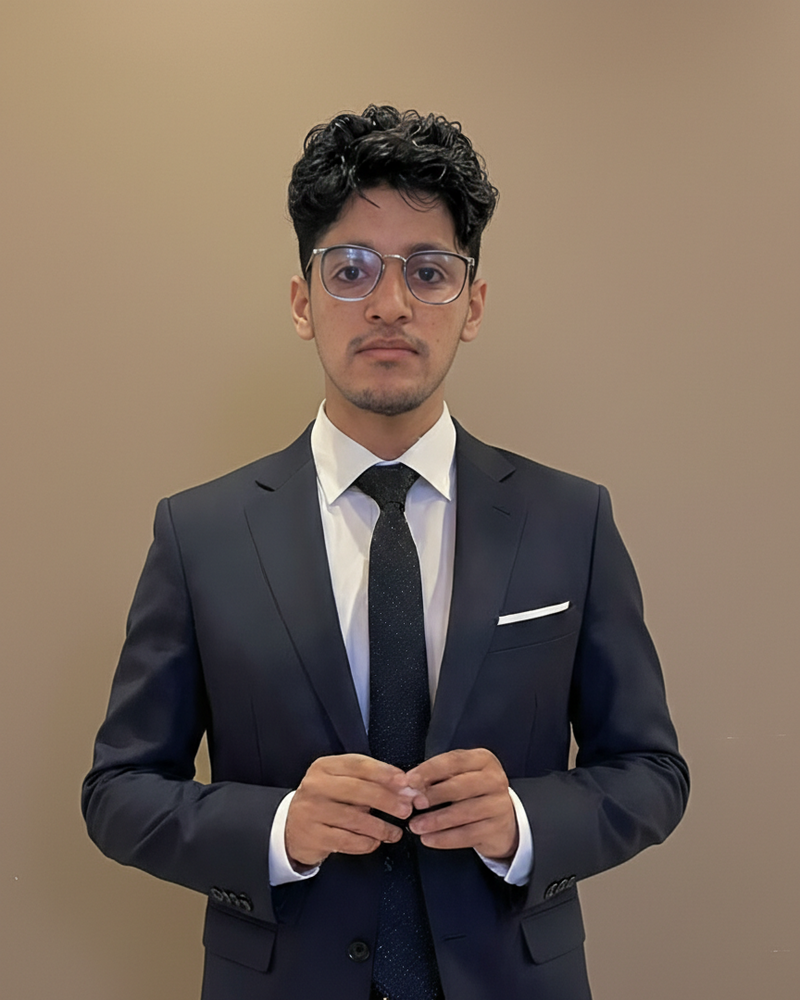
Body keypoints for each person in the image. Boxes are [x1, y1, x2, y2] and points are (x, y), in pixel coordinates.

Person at [82, 105, 689, 1000]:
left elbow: (651, 772)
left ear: (472, 304)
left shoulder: (572, 520)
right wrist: (280, 824)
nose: (390, 304)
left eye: (430, 271)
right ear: (303, 301)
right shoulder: (198, 532)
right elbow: (119, 791)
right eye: (351, 269)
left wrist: (522, 817)